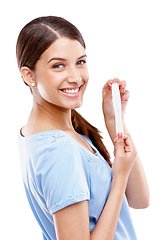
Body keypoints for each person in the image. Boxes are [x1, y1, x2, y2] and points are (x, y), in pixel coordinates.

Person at [16, 16, 149, 240]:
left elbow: (140, 200)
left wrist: (115, 122)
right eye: (58, 65)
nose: (76, 77)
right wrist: (118, 178)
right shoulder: (59, 151)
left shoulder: (55, 134)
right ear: (29, 76)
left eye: (80, 62)